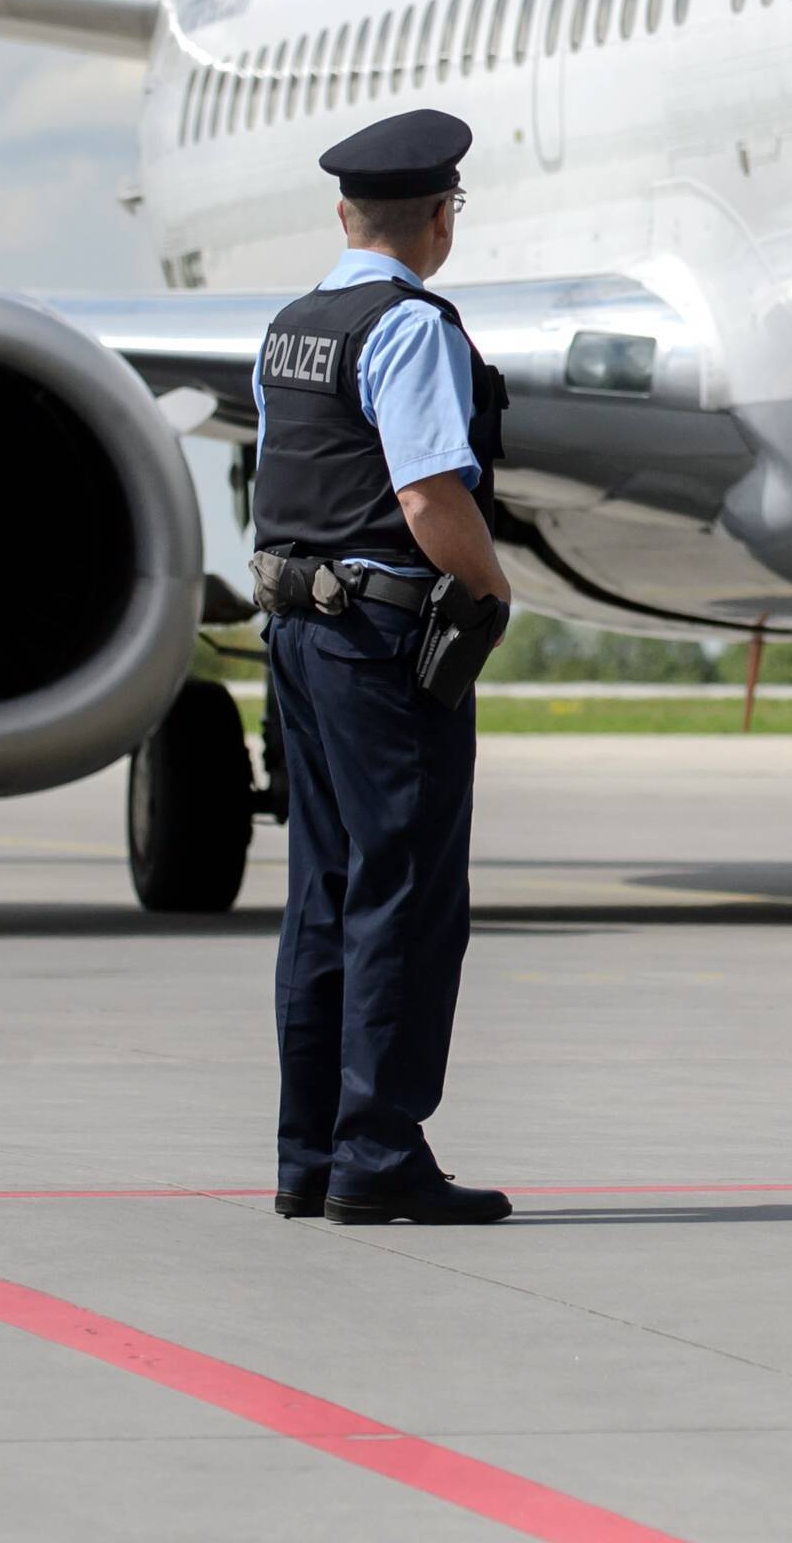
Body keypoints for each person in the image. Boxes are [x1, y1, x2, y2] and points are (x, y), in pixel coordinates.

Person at [250, 108, 516, 1227]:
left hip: (297, 632)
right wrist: (492, 592)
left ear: (346, 213)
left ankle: (309, 1153)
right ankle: (380, 1149)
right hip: (377, 640)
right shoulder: (410, 329)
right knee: (405, 894)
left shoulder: (293, 325)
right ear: (441, 220)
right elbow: (425, 492)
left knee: (324, 893)